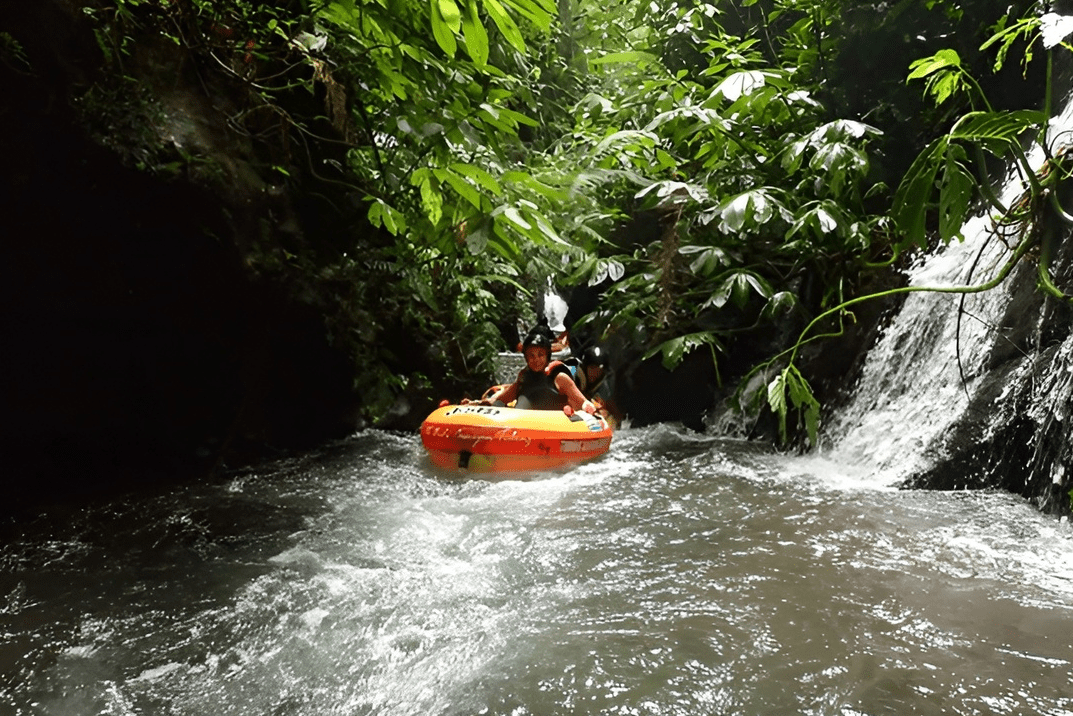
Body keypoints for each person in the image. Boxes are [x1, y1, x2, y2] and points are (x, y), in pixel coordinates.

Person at [481, 325, 596, 414]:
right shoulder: (523, 378)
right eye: (531, 355)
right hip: (522, 428)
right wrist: (481, 404)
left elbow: (582, 402)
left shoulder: (559, 377)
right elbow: (501, 400)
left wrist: (588, 407)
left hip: (552, 429)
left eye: (540, 355)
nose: (536, 360)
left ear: (547, 356)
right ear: (526, 358)